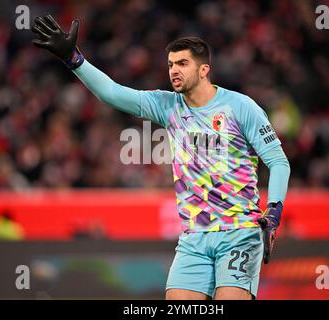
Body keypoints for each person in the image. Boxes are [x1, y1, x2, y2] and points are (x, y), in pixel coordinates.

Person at [31, 15, 290, 300]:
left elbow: (278, 162)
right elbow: (112, 93)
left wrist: (274, 213)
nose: (174, 71)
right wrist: (74, 59)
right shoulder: (168, 106)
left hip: (238, 232)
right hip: (193, 238)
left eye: (182, 64)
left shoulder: (241, 107)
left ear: (204, 69)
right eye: (170, 65)